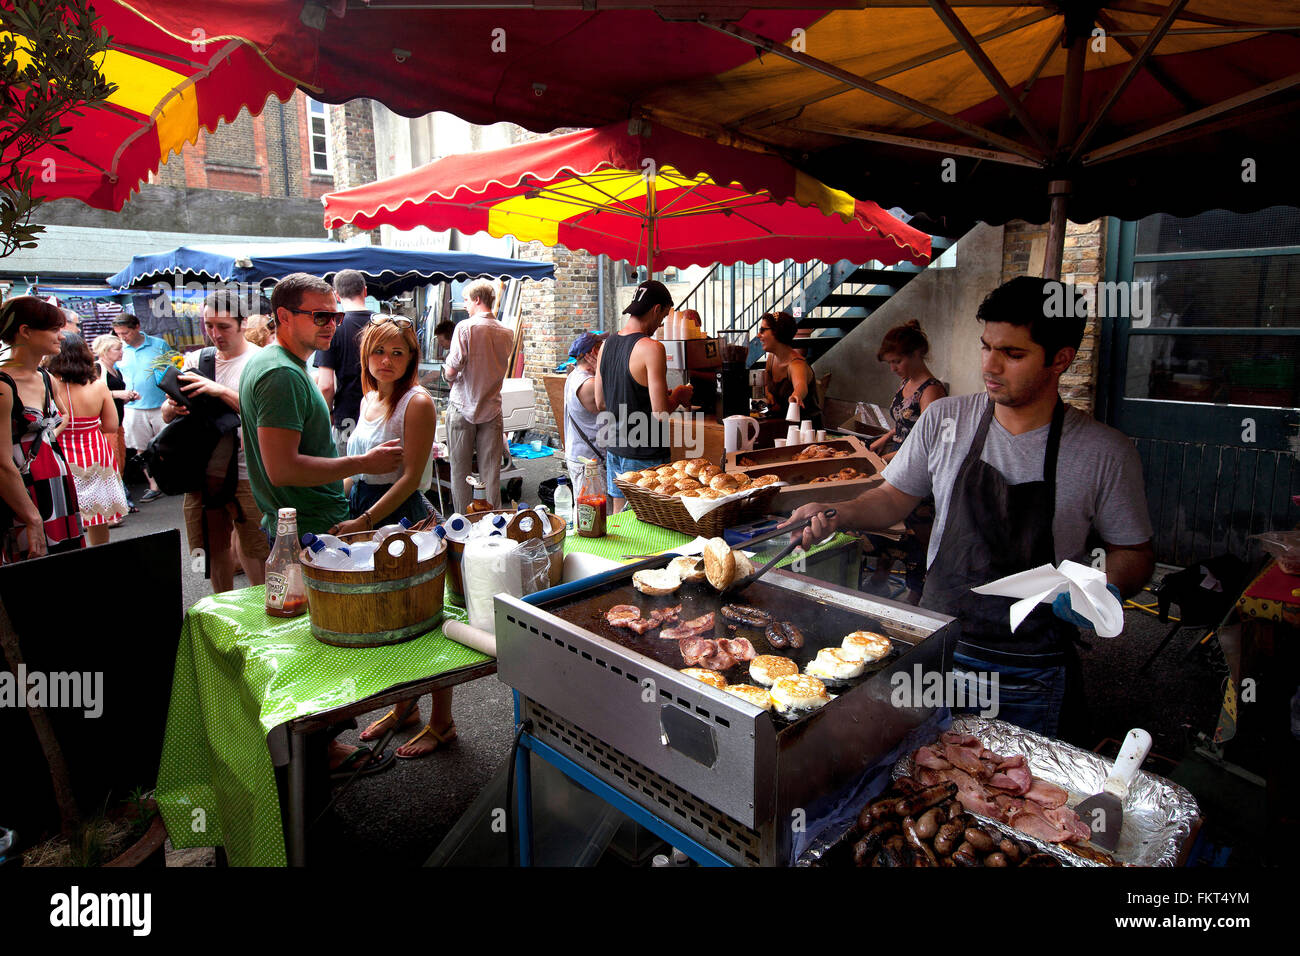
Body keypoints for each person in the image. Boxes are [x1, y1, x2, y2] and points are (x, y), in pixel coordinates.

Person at [788, 276, 1155, 740]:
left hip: (1031, 669)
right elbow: (892, 498)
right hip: (938, 645)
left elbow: (1135, 552)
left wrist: (1106, 588)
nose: (991, 366)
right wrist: (836, 512)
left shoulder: (1104, 452)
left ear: (1061, 359)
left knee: (1011, 795)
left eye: (1013, 354)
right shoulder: (946, 420)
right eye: (986, 347)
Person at [240, 273, 404, 777]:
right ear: (283, 317)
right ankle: (318, 754)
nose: (333, 324)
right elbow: (282, 467)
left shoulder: (279, 364)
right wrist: (361, 465)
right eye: (320, 315)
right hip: (307, 531)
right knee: (332, 645)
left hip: (307, 524)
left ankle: (315, 753)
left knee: (325, 641)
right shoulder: (281, 374)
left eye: (334, 314)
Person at [338, 317, 452, 759]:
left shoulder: (417, 403)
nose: (386, 361)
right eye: (378, 352)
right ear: (366, 355)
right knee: (388, 619)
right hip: (364, 512)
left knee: (424, 618)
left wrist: (363, 517)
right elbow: (358, 467)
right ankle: (405, 707)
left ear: (411, 359)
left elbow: (408, 480)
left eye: (397, 353)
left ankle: (444, 721)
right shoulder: (370, 397)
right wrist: (344, 512)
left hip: (402, 517)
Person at [162, 290, 268, 593]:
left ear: (243, 323)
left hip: (247, 470)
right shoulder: (197, 359)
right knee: (212, 547)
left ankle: (262, 611)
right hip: (202, 468)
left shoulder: (259, 361)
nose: (214, 334)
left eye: (223, 326)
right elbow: (166, 413)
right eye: (209, 326)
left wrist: (218, 391)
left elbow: (267, 414)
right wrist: (173, 406)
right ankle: (224, 609)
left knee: (255, 548)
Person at [864, 320, 947, 604]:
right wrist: (881, 440)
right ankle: (881, 576)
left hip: (918, 468)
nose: (893, 368)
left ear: (916, 355)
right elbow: (902, 424)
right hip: (896, 459)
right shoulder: (906, 383)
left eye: (897, 361)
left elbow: (926, 440)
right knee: (888, 523)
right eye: (890, 363)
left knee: (913, 533)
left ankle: (917, 592)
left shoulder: (932, 392)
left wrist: (887, 456)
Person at [594, 280, 693, 514]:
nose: (660, 325)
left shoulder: (606, 345)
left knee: (621, 519)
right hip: (645, 452)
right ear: (656, 309)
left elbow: (601, 402)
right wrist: (678, 394)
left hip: (615, 448)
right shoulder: (651, 347)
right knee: (650, 520)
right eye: (664, 316)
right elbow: (660, 412)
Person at [0, 297, 85, 561]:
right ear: (25, 331)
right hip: (23, 494)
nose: (61, 336)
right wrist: (31, 516)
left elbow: (59, 420)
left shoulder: (46, 378)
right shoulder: (4, 384)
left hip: (57, 483)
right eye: (53, 329)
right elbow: (2, 463)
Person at [48, 336, 128, 546]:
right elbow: (111, 425)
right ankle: (99, 560)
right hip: (95, 451)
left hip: (60, 453)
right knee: (98, 516)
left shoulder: (48, 385)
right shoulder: (98, 387)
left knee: (64, 512)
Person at [444, 279, 514, 513]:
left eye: (465, 300)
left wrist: (447, 375)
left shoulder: (465, 327)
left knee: (460, 471)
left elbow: (453, 369)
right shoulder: (507, 331)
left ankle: (463, 524)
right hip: (491, 408)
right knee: (490, 472)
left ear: (477, 299)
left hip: (463, 404)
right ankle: (493, 521)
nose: (464, 305)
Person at [112, 311, 171, 503]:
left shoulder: (158, 345)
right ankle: (153, 485)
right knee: (140, 448)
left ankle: (172, 480)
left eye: (125, 333)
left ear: (137, 327)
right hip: (134, 408)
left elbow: (171, 371)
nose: (123, 338)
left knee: (168, 444)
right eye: (119, 334)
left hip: (161, 404)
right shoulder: (118, 350)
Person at [313, 269, 372, 457]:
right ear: (365, 291)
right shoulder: (384, 324)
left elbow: (326, 386)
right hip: (384, 414)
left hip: (348, 419)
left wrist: (327, 417)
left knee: (346, 475)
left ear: (337, 295)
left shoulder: (333, 328)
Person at [93, 333, 138, 514]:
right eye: (117, 349)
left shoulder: (115, 370)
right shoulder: (98, 368)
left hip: (117, 420)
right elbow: (94, 394)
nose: (121, 352)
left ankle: (120, 502)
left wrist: (127, 396)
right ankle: (115, 505)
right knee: (112, 463)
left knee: (120, 462)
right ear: (105, 351)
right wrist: (119, 394)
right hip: (106, 423)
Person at [759, 310, 821, 429]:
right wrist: (768, 395)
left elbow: (801, 386)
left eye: (763, 330)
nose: (758, 335)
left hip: (807, 431)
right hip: (786, 427)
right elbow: (766, 385)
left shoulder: (796, 364)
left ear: (776, 332)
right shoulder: (771, 358)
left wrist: (796, 396)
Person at [563, 331, 606, 492]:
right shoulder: (589, 383)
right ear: (595, 352)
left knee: (587, 511)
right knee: (595, 514)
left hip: (582, 456)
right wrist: (602, 369)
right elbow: (616, 407)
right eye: (602, 348)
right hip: (590, 461)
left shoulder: (574, 375)